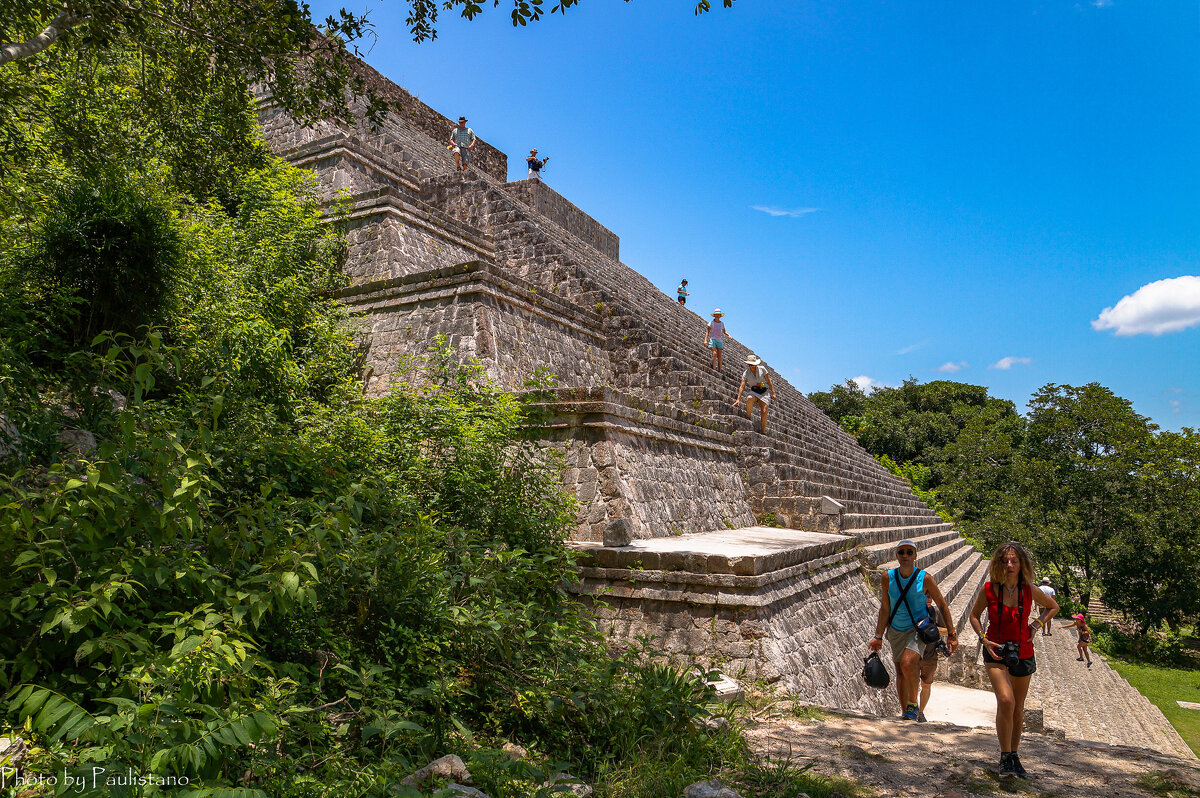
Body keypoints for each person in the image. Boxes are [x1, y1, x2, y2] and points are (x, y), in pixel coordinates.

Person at [969, 542, 1059, 780]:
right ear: (998, 563)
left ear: (1022, 565)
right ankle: (1004, 754)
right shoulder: (989, 589)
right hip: (996, 651)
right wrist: (983, 638)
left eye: (1014, 561)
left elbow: (1052, 607)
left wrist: (1036, 625)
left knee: (1018, 708)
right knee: (1006, 700)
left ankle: (1013, 756)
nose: (1009, 565)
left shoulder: (1028, 589)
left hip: (1023, 651)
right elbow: (974, 615)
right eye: (1005, 561)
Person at [866, 539, 957, 721]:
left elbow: (942, 605)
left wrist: (952, 634)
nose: (905, 556)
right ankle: (905, 712)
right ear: (897, 555)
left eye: (909, 552)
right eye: (901, 552)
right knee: (900, 671)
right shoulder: (887, 577)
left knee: (908, 663)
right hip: (895, 630)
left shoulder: (925, 579)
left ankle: (913, 704)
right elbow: (885, 608)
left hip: (917, 629)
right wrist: (878, 636)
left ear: (915, 556)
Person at [917, 594, 948, 723]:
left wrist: (930, 628)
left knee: (926, 685)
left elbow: (946, 630)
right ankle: (911, 710)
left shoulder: (935, 612)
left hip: (930, 656)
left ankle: (921, 712)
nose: (929, 599)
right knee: (912, 684)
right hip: (915, 653)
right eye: (926, 596)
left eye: (930, 596)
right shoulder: (915, 611)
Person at [732, 355, 776, 434]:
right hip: (754, 390)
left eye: (752, 365)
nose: (751, 366)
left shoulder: (762, 369)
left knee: (764, 411)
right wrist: (738, 399)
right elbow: (742, 386)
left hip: (764, 392)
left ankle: (763, 431)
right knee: (749, 398)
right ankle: (748, 416)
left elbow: (769, 381)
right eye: (750, 365)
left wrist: (773, 393)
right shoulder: (746, 372)